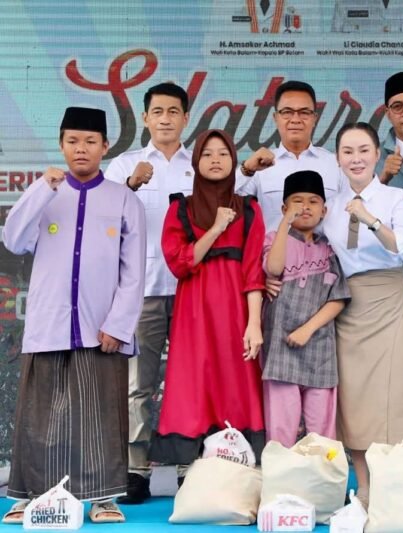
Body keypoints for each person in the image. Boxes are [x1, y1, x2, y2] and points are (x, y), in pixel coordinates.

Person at [1, 107, 146, 524]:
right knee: (38, 416)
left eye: (89, 141)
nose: (80, 149)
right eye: (72, 141)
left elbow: (133, 272)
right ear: (62, 145)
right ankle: (30, 496)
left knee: (101, 416)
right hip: (48, 324)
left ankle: (104, 498)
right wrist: (40, 189)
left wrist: (118, 325)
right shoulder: (46, 192)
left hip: (100, 326)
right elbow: (13, 239)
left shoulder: (124, 199)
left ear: (104, 147)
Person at [148, 130, 266, 473]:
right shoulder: (180, 210)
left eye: (223, 154)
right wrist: (214, 228)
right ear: (196, 163)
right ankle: (191, 472)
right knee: (193, 382)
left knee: (236, 382)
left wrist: (254, 323)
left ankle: (238, 467)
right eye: (207, 154)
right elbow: (179, 263)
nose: (216, 160)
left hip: (235, 311)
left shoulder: (250, 210)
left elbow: (253, 271)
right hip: (193, 312)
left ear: (233, 161)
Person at [104, 82, 193, 504]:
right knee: (139, 385)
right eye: (157, 111)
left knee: (186, 384)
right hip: (141, 291)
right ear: (144, 117)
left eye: (173, 112)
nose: (165, 119)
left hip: (192, 290)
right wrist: (129, 188)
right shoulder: (122, 167)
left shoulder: (201, 165)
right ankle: (137, 471)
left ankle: (187, 470)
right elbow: (104, 226)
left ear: (186, 118)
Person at [323, 122, 403, 506]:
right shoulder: (328, 205)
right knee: (355, 401)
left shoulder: (395, 197)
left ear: (378, 154)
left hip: (391, 301)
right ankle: (363, 487)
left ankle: (393, 488)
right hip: (348, 305)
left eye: (364, 150)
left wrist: (369, 218)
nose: (356, 158)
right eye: (348, 151)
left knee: (394, 399)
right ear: (338, 158)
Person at [261, 170, 350, 447]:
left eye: (313, 201)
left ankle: (322, 487)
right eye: (297, 201)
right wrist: (286, 224)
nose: (305, 207)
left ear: (324, 210)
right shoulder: (274, 238)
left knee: (322, 433)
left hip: (319, 349)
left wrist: (308, 329)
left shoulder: (330, 248)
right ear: (284, 208)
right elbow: (273, 269)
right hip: (280, 349)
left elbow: (339, 297)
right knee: (281, 430)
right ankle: (281, 486)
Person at [237, 80, 347, 231]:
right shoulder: (259, 166)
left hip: (325, 253)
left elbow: (353, 212)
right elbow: (227, 205)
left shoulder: (335, 163)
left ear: (315, 118)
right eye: (287, 112)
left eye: (304, 112)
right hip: (272, 253)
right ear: (275, 118)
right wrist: (246, 170)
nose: (295, 119)